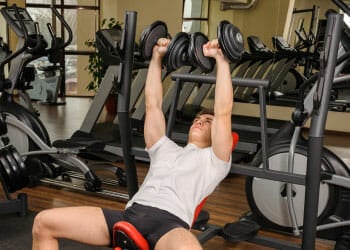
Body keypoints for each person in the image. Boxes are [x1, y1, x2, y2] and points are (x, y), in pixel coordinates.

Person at [32, 37, 234, 250]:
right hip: (130, 214)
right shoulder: (164, 147)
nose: (200, 121)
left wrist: (221, 60)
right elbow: (153, 104)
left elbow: (223, 112)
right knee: (43, 222)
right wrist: (156, 58)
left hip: (169, 224)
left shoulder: (215, 160)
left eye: (207, 122)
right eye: (197, 119)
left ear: (219, 133)